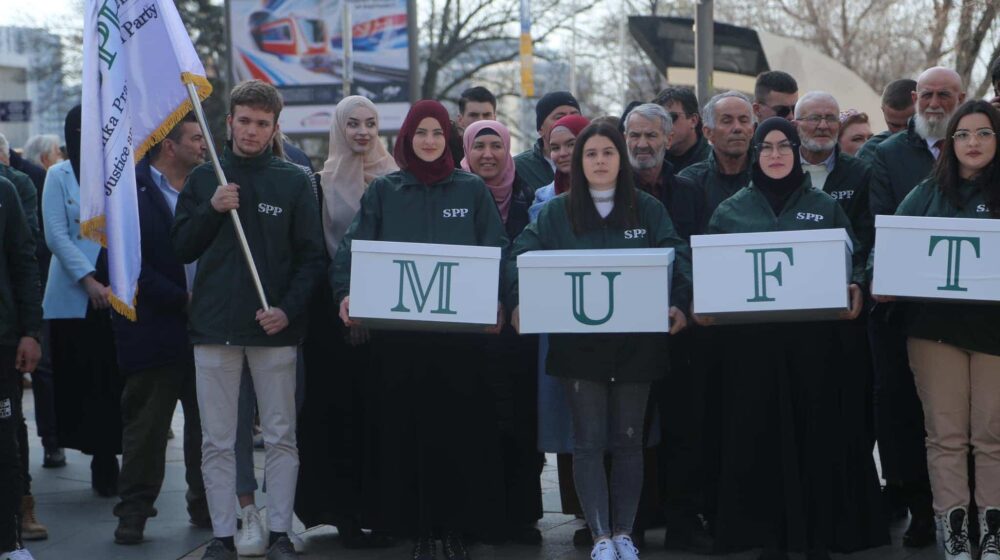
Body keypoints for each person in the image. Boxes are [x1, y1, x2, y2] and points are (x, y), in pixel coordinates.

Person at [506, 122, 692, 560]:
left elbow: (676, 256)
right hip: (578, 348)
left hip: (637, 346)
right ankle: (600, 535)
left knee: (629, 442)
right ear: (578, 161)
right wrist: (518, 300)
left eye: (608, 152)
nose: (600, 161)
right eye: (591, 154)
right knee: (587, 442)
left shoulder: (646, 209)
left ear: (621, 158)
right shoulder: (556, 212)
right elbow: (519, 256)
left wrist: (679, 302)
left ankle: (625, 532)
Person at [332, 100, 508, 560]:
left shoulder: (471, 190)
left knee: (457, 433)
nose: (428, 141)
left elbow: (497, 251)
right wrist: (345, 294)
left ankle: (454, 527)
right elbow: (353, 249)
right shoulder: (385, 190)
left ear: (448, 139)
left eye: (436, 133)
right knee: (404, 433)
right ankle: (416, 528)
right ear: (407, 138)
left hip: (459, 344)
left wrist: (502, 302)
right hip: (400, 342)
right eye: (419, 133)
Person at [704, 117, 884, 560]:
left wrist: (857, 282)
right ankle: (764, 534)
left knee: (815, 435)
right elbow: (708, 267)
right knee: (758, 436)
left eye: (784, 146)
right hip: (752, 349)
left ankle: (818, 531)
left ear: (796, 151)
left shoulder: (823, 205)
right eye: (767, 147)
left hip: (814, 346)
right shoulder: (731, 210)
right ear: (755, 154)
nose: (776, 155)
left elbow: (855, 255)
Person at [172, 80, 326, 560]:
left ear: (275, 126)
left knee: (281, 435)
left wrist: (287, 309)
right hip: (214, 329)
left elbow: (312, 259)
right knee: (217, 440)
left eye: (262, 123)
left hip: (273, 329)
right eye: (245, 121)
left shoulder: (295, 180)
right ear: (229, 122)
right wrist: (214, 210)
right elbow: (181, 246)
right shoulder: (203, 179)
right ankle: (223, 535)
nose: (252, 131)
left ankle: (280, 531)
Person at [883, 100, 1000, 560]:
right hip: (935, 331)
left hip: (994, 334)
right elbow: (891, 244)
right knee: (945, 436)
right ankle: (953, 533)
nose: (973, 142)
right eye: (964, 134)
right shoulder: (927, 191)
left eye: (984, 133)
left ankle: (991, 534)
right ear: (950, 144)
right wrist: (881, 277)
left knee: (991, 435)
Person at [868, 67, 966, 548]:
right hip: (907, 313)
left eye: (943, 94)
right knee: (908, 417)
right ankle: (922, 509)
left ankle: (968, 511)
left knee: (966, 421)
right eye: (925, 94)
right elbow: (882, 224)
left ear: (961, 98)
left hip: (972, 316)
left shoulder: (983, 151)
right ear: (914, 97)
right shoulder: (886, 155)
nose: (933, 102)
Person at [294, 95, 397, 549]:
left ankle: (385, 509)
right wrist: (346, 303)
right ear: (338, 128)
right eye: (352, 123)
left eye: (370, 123)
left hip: (390, 321)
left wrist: (374, 306)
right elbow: (315, 250)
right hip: (330, 319)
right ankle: (345, 514)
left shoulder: (396, 180)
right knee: (338, 414)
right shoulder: (318, 183)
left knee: (382, 415)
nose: (362, 132)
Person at [110, 113, 210, 544]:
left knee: (209, 430)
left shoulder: (208, 187)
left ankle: (206, 505)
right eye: (195, 138)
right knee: (147, 430)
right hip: (154, 331)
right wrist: (181, 299)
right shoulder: (129, 193)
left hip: (207, 331)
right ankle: (133, 512)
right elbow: (127, 266)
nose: (204, 145)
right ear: (169, 147)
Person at [624, 102, 713, 551]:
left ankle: (683, 520)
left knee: (684, 428)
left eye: (651, 136)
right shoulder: (608, 192)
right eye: (634, 136)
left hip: (679, 330)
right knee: (630, 432)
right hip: (625, 335)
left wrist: (683, 305)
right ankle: (631, 523)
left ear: (667, 140)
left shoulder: (690, 191)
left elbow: (694, 256)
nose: (642, 144)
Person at [460, 119, 545, 544]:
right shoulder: (455, 192)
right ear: (466, 152)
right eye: (479, 147)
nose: (488, 154)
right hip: (469, 333)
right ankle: (481, 514)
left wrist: (512, 303)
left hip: (517, 331)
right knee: (477, 423)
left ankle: (522, 515)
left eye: (496, 145)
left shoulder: (528, 195)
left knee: (520, 422)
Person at [42, 105, 123, 498]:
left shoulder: (118, 170)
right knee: (81, 381)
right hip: (76, 296)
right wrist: (88, 280)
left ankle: (113, 455)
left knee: (115, 380)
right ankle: (95, 455)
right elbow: (56, 234)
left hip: (118, 291)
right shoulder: (57, 176)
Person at [0, 163, 43, 560]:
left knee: (5, 448)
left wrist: (31, 330)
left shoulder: (5, 190)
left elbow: (24, 262)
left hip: (2, 342)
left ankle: (10, 544)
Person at [678, 91, 756, 229]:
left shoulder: (768, 176)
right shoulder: (688, 182)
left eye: (743, 120)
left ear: (752, 130)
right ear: (708, 132)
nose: (737, 128)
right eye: (727, 121)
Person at [514, 91, 581, 193]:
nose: (568, 121)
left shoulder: (595, 159)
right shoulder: (519, 168)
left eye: (574, 116)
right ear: (541, 129)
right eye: (559, 117)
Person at [529, 114, 590, 221]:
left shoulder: (608, 191)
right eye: (555, 148)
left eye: (571, 144)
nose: (562, 153)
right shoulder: (543, 198)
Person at [857, 78, 918, 162]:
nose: (902, 132)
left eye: (910, 124)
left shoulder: (939, 148)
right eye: (895, 125)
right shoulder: (870, 152)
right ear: (883, 111)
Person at [653, 86, 712, 171]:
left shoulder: (715, 161)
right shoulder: (653, 159)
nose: (664, 124)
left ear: (693, 120)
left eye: (671, 117)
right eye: (659, 118)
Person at [450, 86, 499, 167]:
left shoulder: (502, 157)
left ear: (494, 119)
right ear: (460, 120)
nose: (480, 121)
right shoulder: (449, 160)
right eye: (473, 115)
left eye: (486, 115)